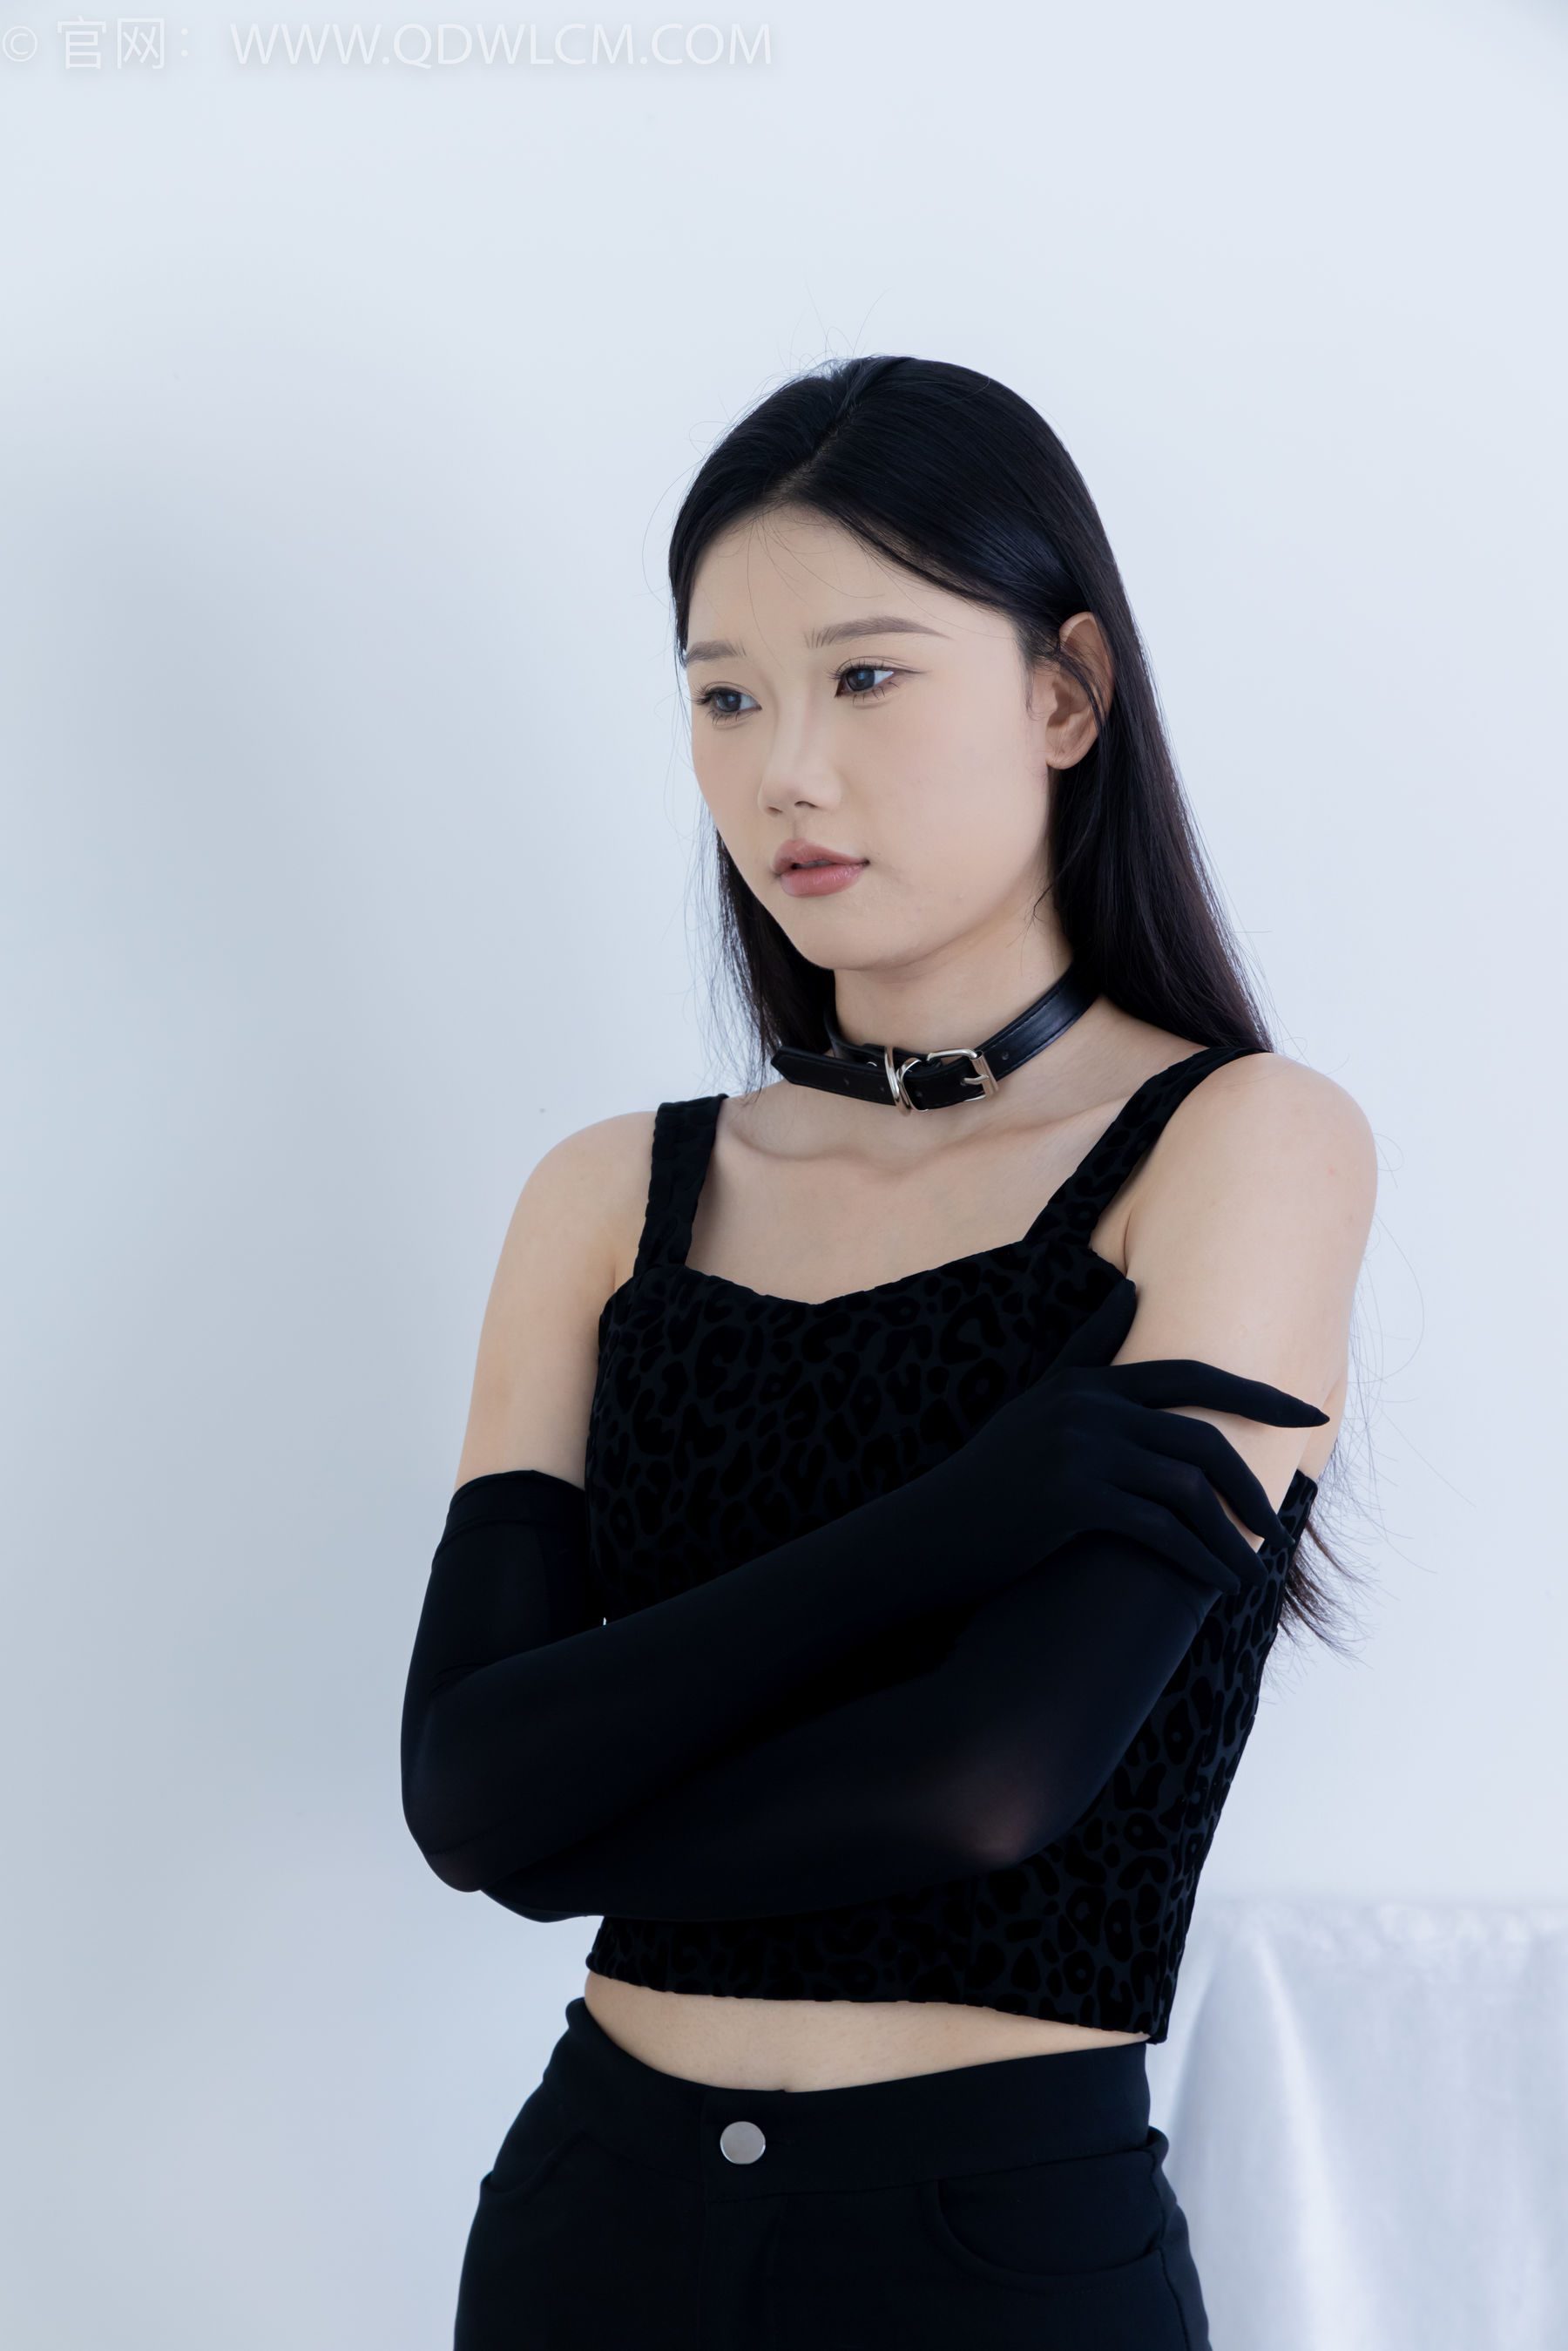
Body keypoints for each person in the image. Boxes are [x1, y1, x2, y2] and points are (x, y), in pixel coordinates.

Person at [401, 356, 1375, 2348]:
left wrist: (552, 1836)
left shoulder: (1241, 1146)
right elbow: (461, 1777)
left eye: (864, 676)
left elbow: (990, 1777)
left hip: (992, 2247)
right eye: (724, 696)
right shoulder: (610, 1193)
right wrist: (959, 1517)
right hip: (593, 2221)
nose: (787, 772)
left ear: (1065, 693)